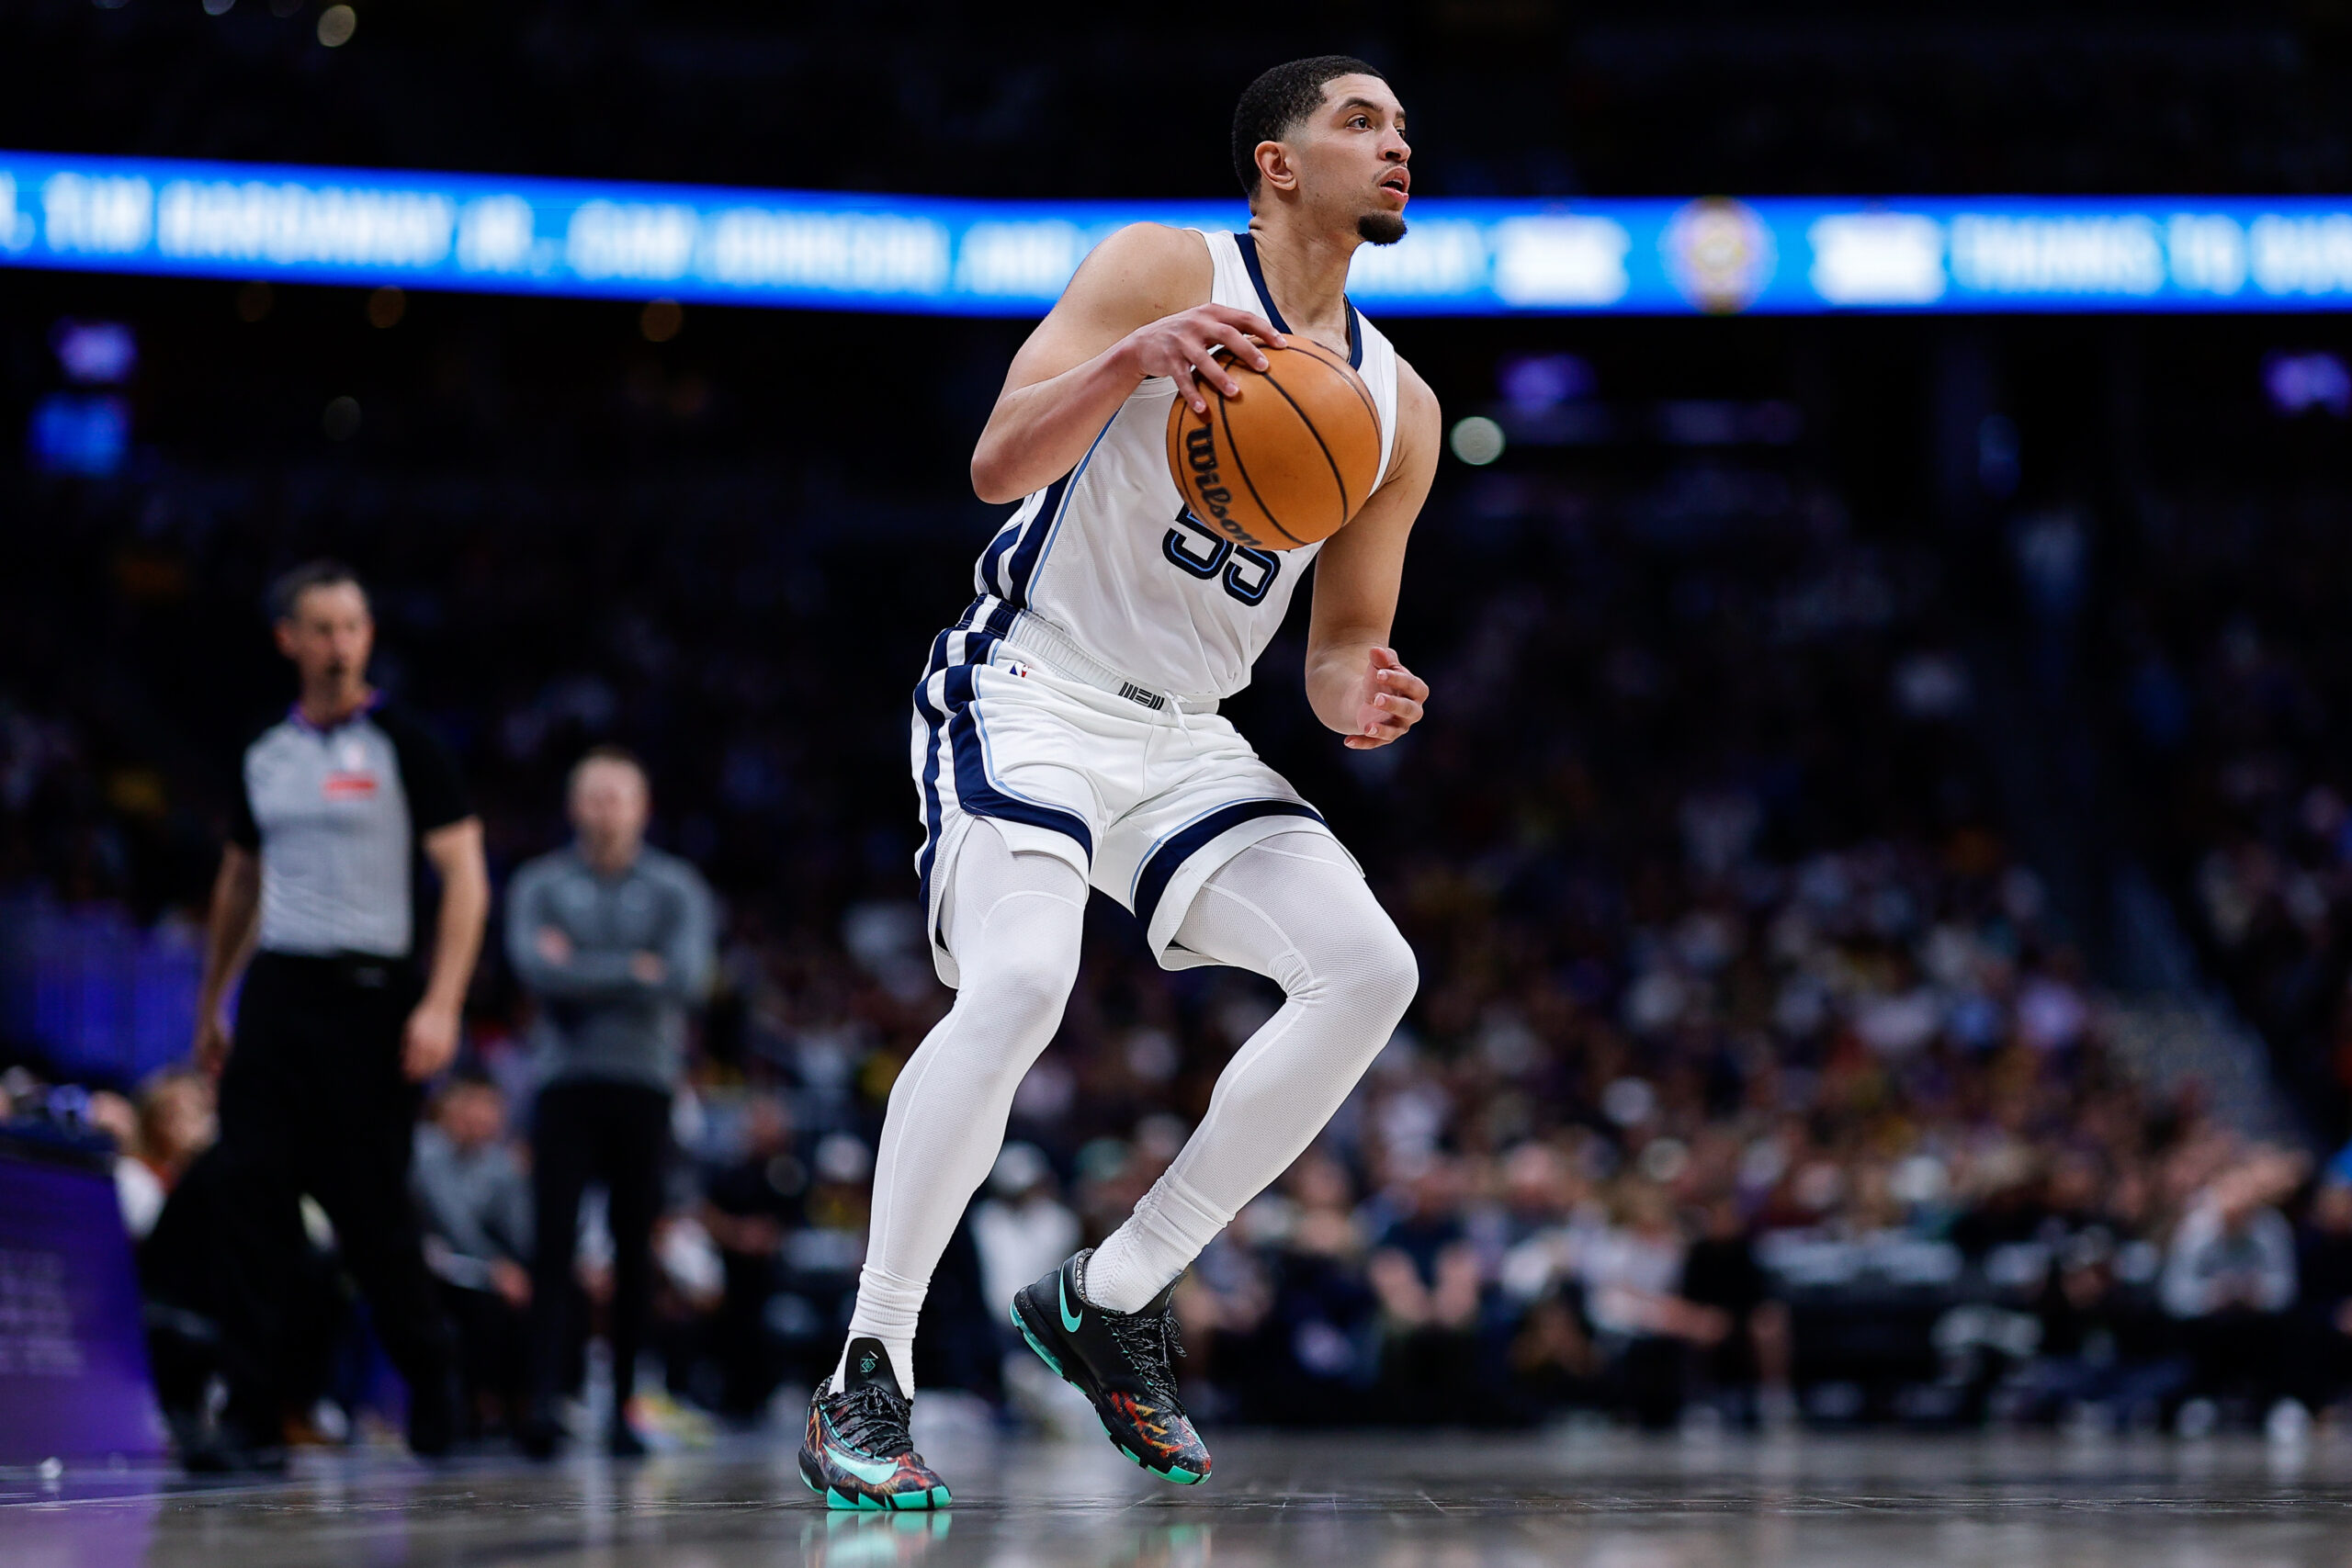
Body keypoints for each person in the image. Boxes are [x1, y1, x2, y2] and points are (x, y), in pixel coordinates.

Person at [799, 54, 1437, 1508]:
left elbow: (1337, 648)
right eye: (1360, 120)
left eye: (1403, 126)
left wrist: (1363, 695)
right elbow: (992, 462)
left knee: (1368, 965)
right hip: (1029, 684)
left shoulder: (1399, 405)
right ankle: (869, 1366)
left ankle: (1115, 1286)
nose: (1398, 144)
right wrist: (1130, 363)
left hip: (1188, 732)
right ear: (1276, 163)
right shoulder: (1164, 264)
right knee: (1023, 981)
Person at [187, 559, 488, 1471]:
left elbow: (466, 877)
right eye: (319, 628)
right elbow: (239, 880)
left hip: (374, 1000)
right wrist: (213, 1003)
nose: (337, 644)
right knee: (250, 1193)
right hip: (281, 992)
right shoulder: (263, 754)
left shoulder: (406, 743)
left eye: (351, 627)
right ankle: (249, 1404)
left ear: (368, 639)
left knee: (371, 1216)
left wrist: (440, 1002)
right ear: (288, 640)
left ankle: (435, 1379)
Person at [505, 746, 716, 1458]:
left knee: (634, 1250)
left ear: (641, 807)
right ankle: (542, 1399)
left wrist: (580, 968)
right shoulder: (539, 882)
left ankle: (624, 1406)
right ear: (574, 806)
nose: (604, 809)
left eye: (616, 796)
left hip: (644, 1083)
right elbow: (533, 968)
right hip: (562, 1081)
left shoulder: (677, 886)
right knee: (551, 1243)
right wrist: (634, 968)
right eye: (592, 796)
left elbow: (685, 977)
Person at [412, 1073, 535, 1437]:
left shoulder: (500, 1162)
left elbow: (521, 1236)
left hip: (481, 1268)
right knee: (483, 1304)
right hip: (432, 1267)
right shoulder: (426, 1151)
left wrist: (519, 1180)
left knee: (536, 1295)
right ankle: (473, 1403)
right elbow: (456, 1227)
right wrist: (496, 1269)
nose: (485, 1119)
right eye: (477, 1109)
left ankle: (521, 1404)